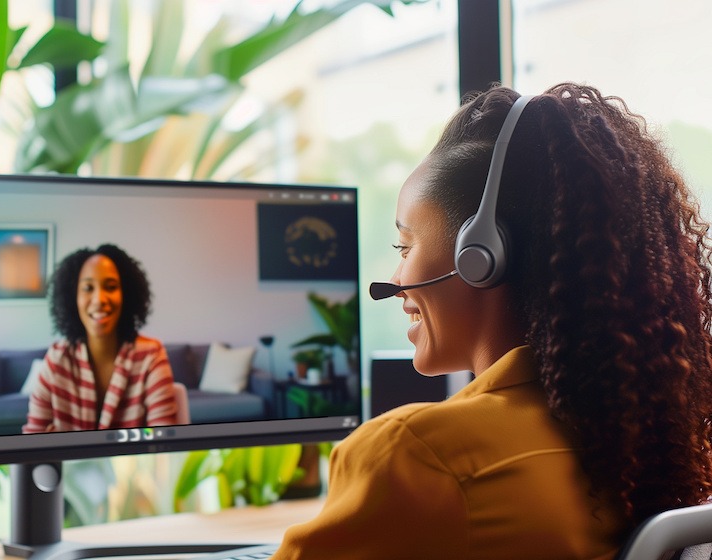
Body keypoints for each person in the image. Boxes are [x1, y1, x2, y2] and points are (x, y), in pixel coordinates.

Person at [274, 83, 712, 559]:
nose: (397, 279)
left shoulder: (420, 456)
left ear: (480, 254)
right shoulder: (651, 446)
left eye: (406, 247)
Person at [23, 244, 178, 433]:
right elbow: (32, 440)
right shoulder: (56, 360)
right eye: (88, 287)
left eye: (111, 287)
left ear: (126, 295)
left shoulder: (151, 357)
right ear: (73, 298)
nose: (99, 299)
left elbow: (165, 441)